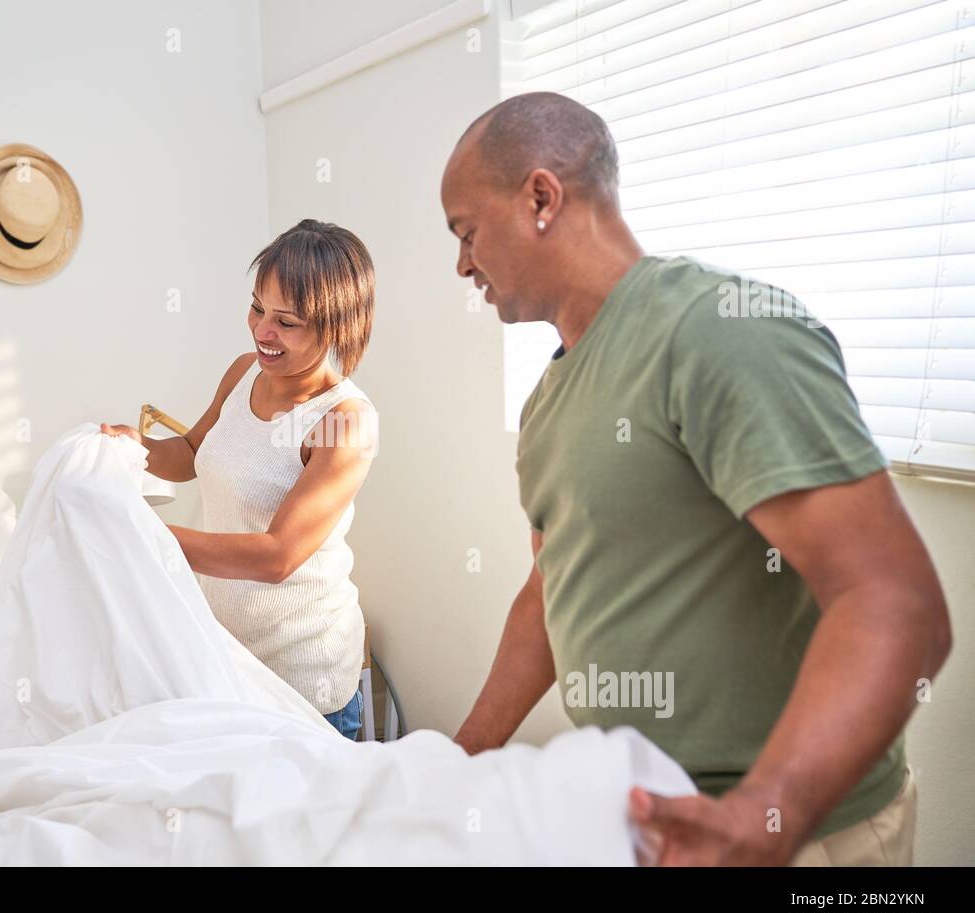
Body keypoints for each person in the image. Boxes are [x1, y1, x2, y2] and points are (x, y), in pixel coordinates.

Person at [440, 92, 951, 865]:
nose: (461, 264)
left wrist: (761, 815)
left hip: (806, 837)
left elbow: (896, 604)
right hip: (659, 823)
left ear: (541, 197)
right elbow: (551, 592)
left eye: (466, 232)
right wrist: (458, 762)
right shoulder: (548, 402)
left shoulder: (717, 331)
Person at [102, 219, 378, 739]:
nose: (261, 332)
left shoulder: (345, 421)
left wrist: (142, 533)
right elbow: (189, 452)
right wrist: (132, 449)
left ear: (336, 326)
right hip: (227, 657)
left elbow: (278, 556)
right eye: (257, 308)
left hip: (304, 679)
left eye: (287, 322)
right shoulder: (244, 372)